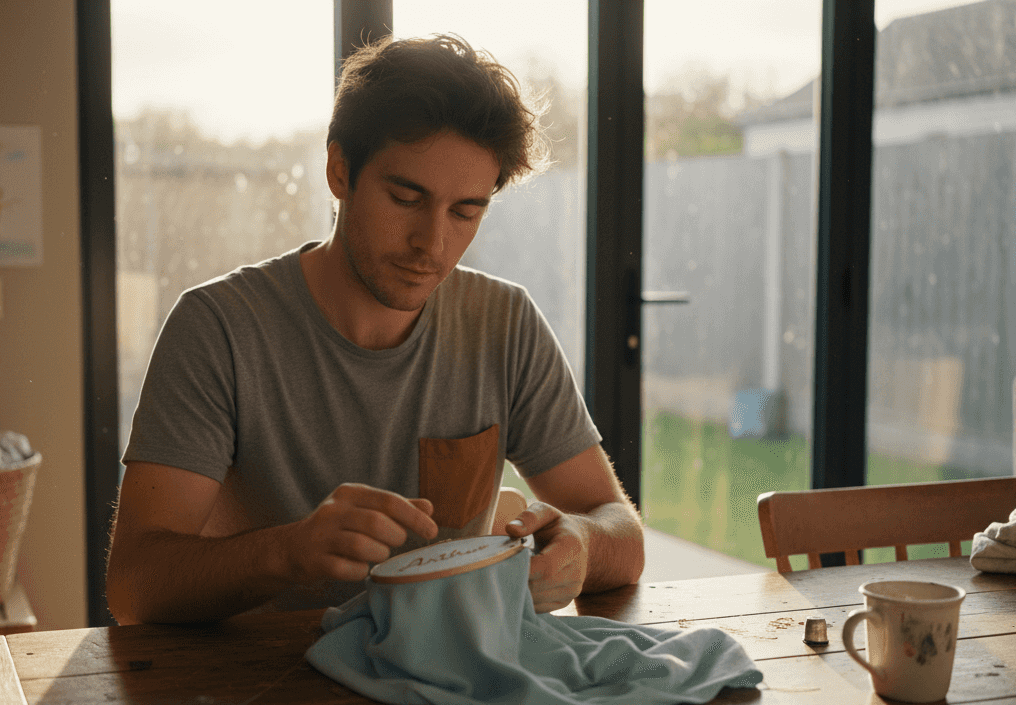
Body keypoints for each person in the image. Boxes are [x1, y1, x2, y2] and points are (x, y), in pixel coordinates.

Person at [107, 34, 644, 625]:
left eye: (466, 211)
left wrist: (584, 546)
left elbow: (619, 528)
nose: (433, 244)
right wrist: (287, 552)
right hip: (258, 693)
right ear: (339, 171)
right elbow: (135, 588)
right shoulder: (219, 329)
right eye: (406, 197)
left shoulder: (504, 323)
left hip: (447, 684)